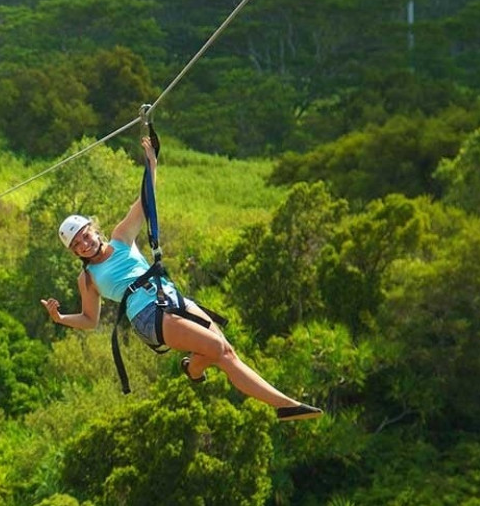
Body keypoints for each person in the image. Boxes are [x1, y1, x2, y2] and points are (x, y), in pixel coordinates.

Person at [40, 136, 322, 421]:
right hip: (147, 316)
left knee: (226, 350)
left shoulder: (121, 238)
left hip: (171, 296)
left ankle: (193, 369)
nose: (84, 244)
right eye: (77, 245)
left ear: (94, 229)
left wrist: (151, 163)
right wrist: (60, 317)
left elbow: (145, 202)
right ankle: (284, 405)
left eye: (85, 236)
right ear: (74, 251)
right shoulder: (87, 278)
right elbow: (90, 320)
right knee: (218, 350)